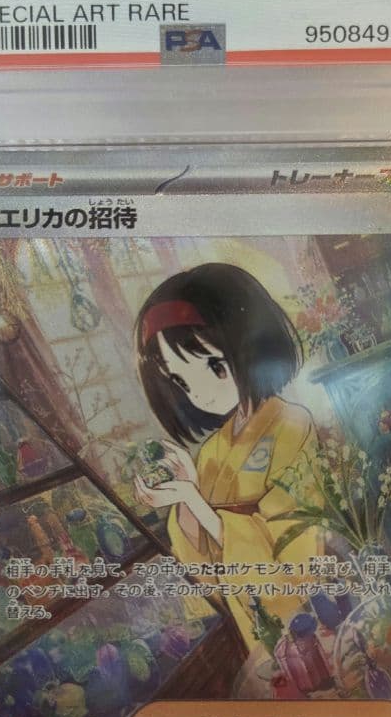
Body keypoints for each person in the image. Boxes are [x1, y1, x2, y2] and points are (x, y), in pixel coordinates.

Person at [133, 263, 322, 653]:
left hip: (301, 617)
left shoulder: (292, 426)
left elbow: (296, 561)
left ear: (249, 348)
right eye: (180, 381)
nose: (199, 394)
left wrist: (197, 501)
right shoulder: (211, 451)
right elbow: (205, 574)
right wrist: (186, 498)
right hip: (249, 619)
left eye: (214, 366)